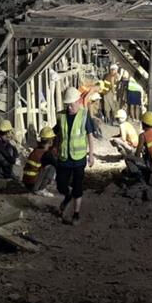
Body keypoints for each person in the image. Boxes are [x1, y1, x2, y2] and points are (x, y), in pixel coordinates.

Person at [54, 85, 95, 224]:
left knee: (78, 186)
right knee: (61, 184)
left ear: (78, 102)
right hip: (64, 157)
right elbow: (58, 134)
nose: (69, 108)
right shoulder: (61, 115)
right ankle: (67, 196)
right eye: (67, 105)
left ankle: (76, 213)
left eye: (71, 105)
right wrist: (55, 148)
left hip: (79, 159)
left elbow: (90, 135)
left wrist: (92, 155)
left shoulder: (84, 116)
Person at [22, 126, 57, 195]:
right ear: (50, 141)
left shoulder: (36, 150)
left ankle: (37, 188)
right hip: (33, 185)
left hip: (26, 183)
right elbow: (57, 165)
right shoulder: (46, 154)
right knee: (51, 168)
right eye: (52, 139)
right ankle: (41, 189)